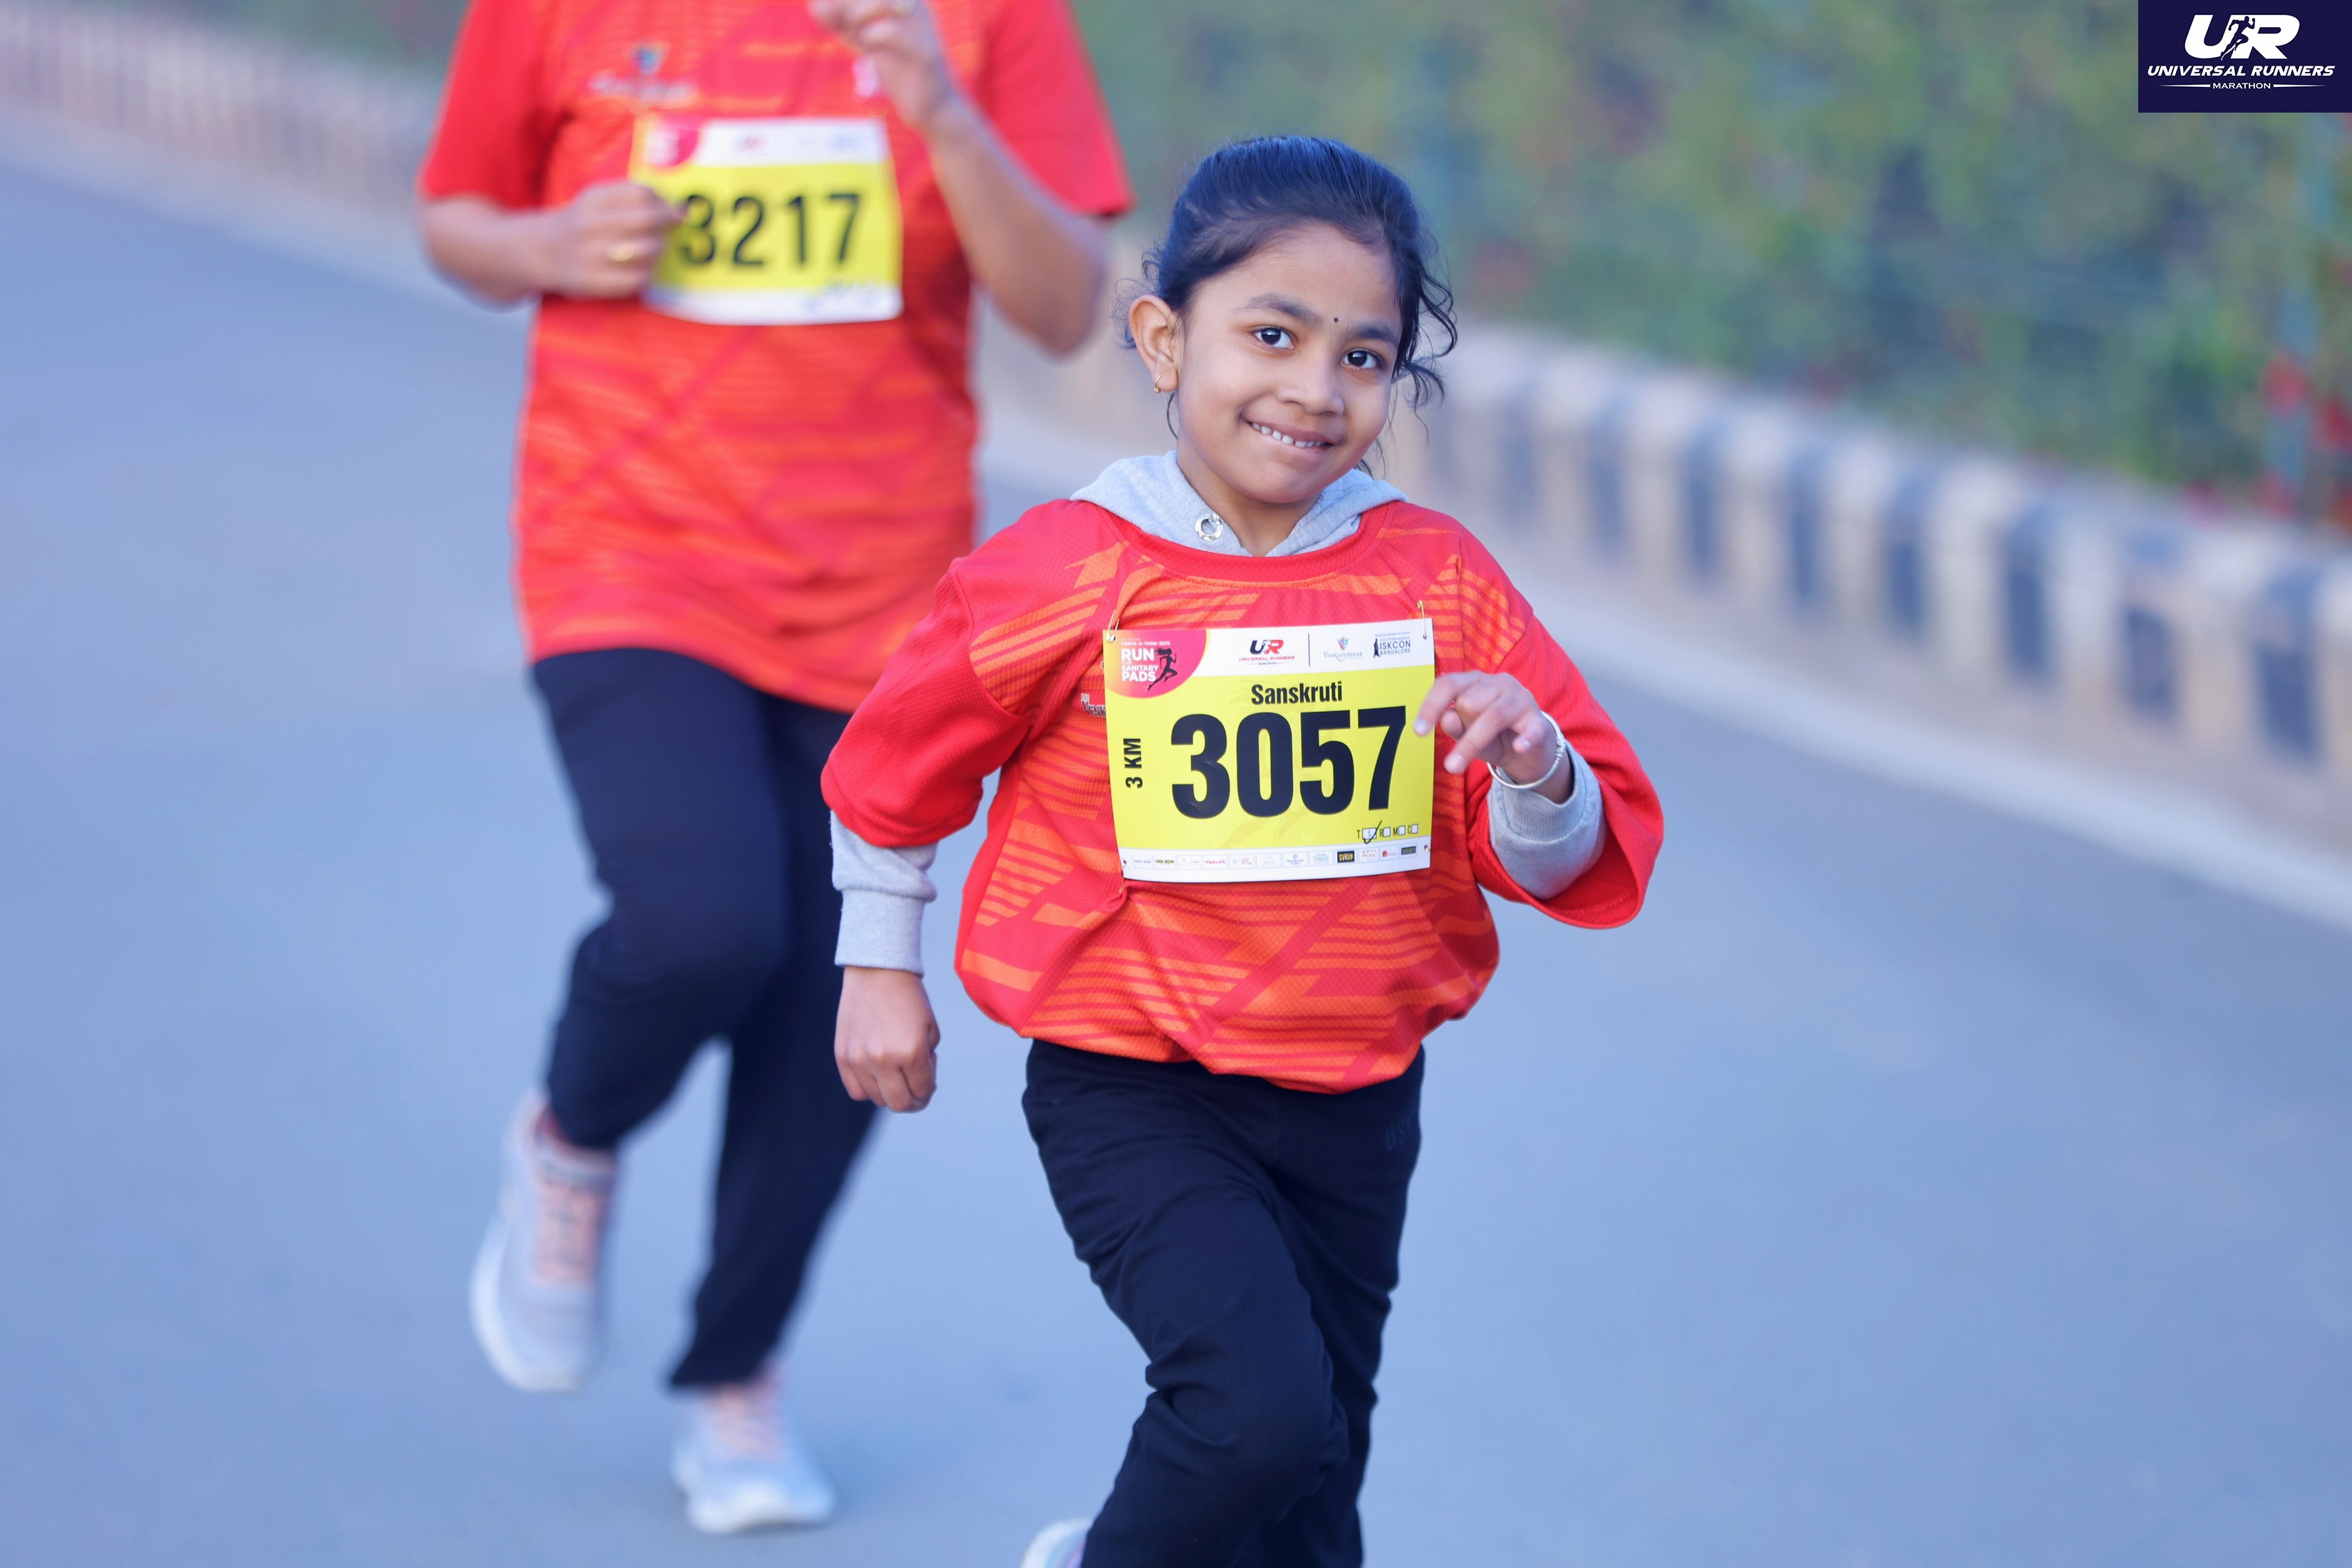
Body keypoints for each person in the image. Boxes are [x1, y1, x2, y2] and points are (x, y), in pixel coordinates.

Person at [822, 136, 1665, 1568]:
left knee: (1315, 1483)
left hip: (1355, 1095)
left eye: (1363, 355)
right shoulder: (1069, 566)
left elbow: (1572, 850)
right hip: (1134, 1081)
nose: (1315, 389)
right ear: (1165, 338)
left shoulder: (1437, 579)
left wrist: (1535, 762)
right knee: (1255, 1414)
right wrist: (876, 965)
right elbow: (900, 762)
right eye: (1271, 336)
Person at [412, 0, 1130, 1535]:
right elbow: (454, 218)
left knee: (834, 999)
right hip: (629, 550)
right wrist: (548, 245)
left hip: (886, 589)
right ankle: (571, 1139)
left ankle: (736, 1371)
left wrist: (939, 105)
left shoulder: (983, 21)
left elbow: (1068, 304)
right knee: (699, 921)